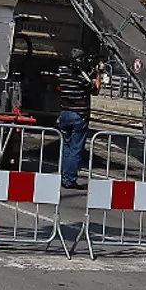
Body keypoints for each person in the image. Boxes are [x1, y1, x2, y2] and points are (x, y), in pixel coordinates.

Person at [54, 49, 101, 189]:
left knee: (66, 146)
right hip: (79, 116)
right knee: (75, 149)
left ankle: (63, 176)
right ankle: (70, 179)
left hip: (64, 114)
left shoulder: (63, 72)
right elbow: (96, 89)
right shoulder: (82, 78)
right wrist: (98, 73)